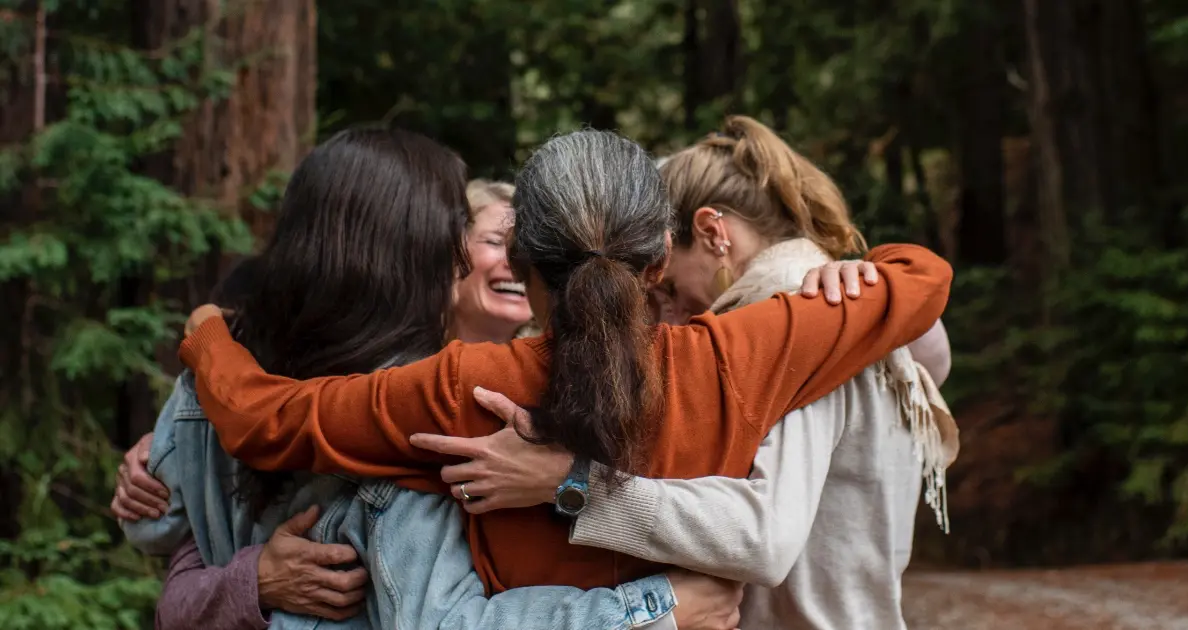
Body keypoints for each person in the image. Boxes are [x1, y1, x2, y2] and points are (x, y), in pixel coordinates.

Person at [174, 128, 954, 594]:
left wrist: (209, 330)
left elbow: (261, 421)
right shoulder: (749, 350)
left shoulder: (464, 386)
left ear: (518, 253)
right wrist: (857, 269)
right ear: (657, 258)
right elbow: (927, 278)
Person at [112, 128, 740, 630]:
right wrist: (657, 609)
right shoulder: (421, 409)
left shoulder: (217, 370)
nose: (465, 256)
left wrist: (238, 579)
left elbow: (157, 527)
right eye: (457, 234)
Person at [409, 116, 961, 628]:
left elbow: (765, 535)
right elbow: (935, 355)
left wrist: (570, 484)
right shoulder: (840, 304)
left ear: (713, 231)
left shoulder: (795, 311)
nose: (665, 311)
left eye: (668, 286)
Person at [451, 180, 536, 343]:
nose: (517, 261)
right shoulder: (400, 362)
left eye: (530, 249)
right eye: (495, 242)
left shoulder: (564, 366)